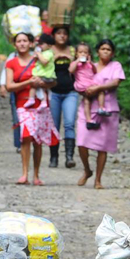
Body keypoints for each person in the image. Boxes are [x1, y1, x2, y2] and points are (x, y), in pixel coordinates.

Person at [5, 32, 59, 186]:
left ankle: (36, 174)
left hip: (40, 103)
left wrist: (42, 84)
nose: (22, 44)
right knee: (26, 136)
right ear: (14, 44)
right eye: (19, 41)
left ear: (30, 43)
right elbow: (9, 86)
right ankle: (24, 173)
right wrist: (28, 83)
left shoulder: (40, 59)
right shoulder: (11, 63)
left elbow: (53, 80)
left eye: (25, 41)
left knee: (38, 139)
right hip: (23, 104)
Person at [75, 39, 124, 189]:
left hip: (107, 109)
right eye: (102, 49)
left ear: (112, 53)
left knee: (102, 147)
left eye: (108, 49)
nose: (105, 52)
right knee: (82, 141)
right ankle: (87, 169)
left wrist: (98, 88)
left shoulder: (115, 66)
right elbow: (79, 78)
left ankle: (98, 179)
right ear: (97, 52)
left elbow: (115, 82)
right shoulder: (90, 66)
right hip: (88, 107)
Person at [47, 26, 79, 169]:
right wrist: (55, 58)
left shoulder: (73, 50)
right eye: (59, 33)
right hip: (53, 92)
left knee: (69, 123)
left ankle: (69, 156)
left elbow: (82, 67)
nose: (62, 36)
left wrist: (72, 59)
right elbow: (42, 66)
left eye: (65, 34)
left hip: (70, 91)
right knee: (53, 125)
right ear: (53, 35)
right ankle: (54, 157)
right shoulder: (48, 51)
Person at [70, 43, 105, 132]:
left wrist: (91, 63)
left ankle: (90, 119)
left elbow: (95, 71)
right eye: (80, 52)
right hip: (82, 84)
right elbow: (71, 70)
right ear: (76, 54)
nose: (83, 54)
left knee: (87, 100)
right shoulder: (76, 64)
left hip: (90, 83)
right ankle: (100, 108)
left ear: (88, 54)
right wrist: (77, 60)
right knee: (99, 92)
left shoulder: (89, 64)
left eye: (85, 52)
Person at [25, 33, 57, 108]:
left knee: (33, 84)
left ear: (49, 45)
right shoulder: (43, 52)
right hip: (43, 74)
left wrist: (39, 54)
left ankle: (32, 99)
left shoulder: (49, 53)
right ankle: (42, 101)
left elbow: (44, 62)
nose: (40, 45)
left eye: (42, 44)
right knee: (41, 88)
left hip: (46, 75)